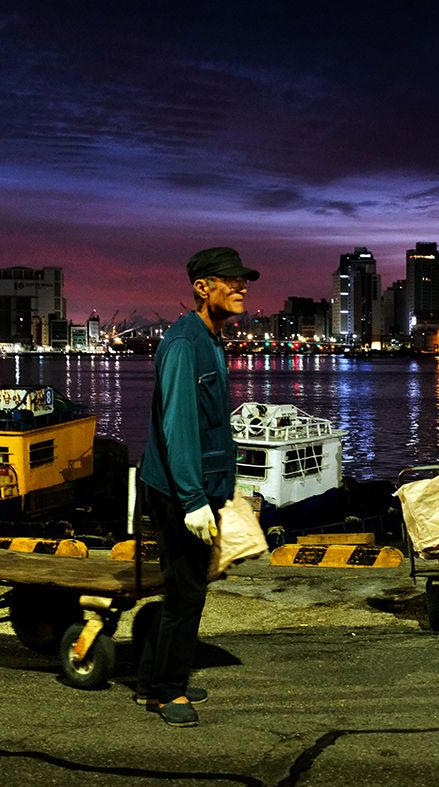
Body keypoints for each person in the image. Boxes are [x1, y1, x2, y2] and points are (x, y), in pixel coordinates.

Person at [136, 246, 258, 727]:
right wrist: (192, 500)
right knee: (186, 594)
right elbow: (179, 426)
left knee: (184, 592)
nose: (242, 287)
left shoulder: (211, 339)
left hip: (198, 488)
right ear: (202, 287)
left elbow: (211, 427)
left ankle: (157, 676)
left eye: (244, 280)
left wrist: (225, 488)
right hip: (175, 492)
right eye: (231, 280)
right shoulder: (185, 343)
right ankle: (168, 692)